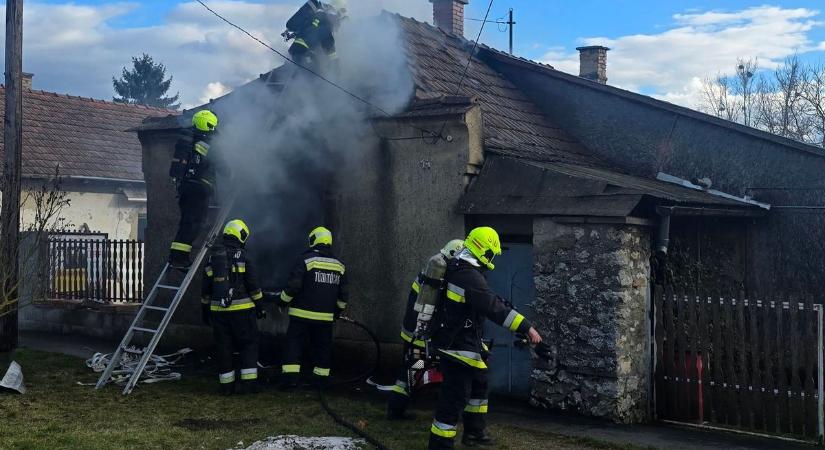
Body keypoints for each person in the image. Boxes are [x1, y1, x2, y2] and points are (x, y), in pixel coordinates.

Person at [428, 227, 543, 449]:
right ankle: (439, 445)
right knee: (452, 401)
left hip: (467, 343)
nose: (492, 259)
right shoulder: (466, 275)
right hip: (457, 348)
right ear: (482, 250)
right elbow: (493, 307)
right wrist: (527, 328)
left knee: (480, 385)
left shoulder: (462, 269)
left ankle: (474, 432)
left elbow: (486, 301)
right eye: (491, 253)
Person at [387, 239, 464, 421]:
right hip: (421, 335)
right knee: (413, 371)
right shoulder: (440, 273)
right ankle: (396, 411)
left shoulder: (431, 268)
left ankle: (396, 408)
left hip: (411, 330)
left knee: (408, 371)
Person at [201, 219, 266, 395]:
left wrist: (205, 309)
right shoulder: (244, 256)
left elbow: (206, 287)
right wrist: (260, 306)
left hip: (219, 313)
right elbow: (253, 285)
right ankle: (249, 386)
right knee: (248, 345)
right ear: (241, 236)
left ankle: (226, 387)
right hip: (243, 312)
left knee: (224, 348)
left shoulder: (213, 257)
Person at [279, 226, 348, 388]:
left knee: (294, 345)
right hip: (325, 318)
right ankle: (321, 382)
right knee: (323, 348)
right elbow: (344, 296)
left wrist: (282, 301)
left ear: (313, 240)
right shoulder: (339, 266)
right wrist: (336, 312)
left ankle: (290, 381)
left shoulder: (306, 260)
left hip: (301, 315)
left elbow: (293, 287)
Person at [168, 109, 219, 269]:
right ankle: (178, 259)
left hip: (185, 188)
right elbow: (222, 163)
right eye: (213, 127)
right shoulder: (206, 145)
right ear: (208, 125)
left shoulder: (189, 141)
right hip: (198, 189)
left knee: (187, 223)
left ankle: (176, 257)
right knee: (194, 223)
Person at [284, 0, 346, 69]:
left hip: (295, 49)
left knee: (292, 71)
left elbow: (306, 30)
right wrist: (335, 63)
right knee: (314, 71)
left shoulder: (315, 19)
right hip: (304, 53)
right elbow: (329, 46)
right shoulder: (326, 28)